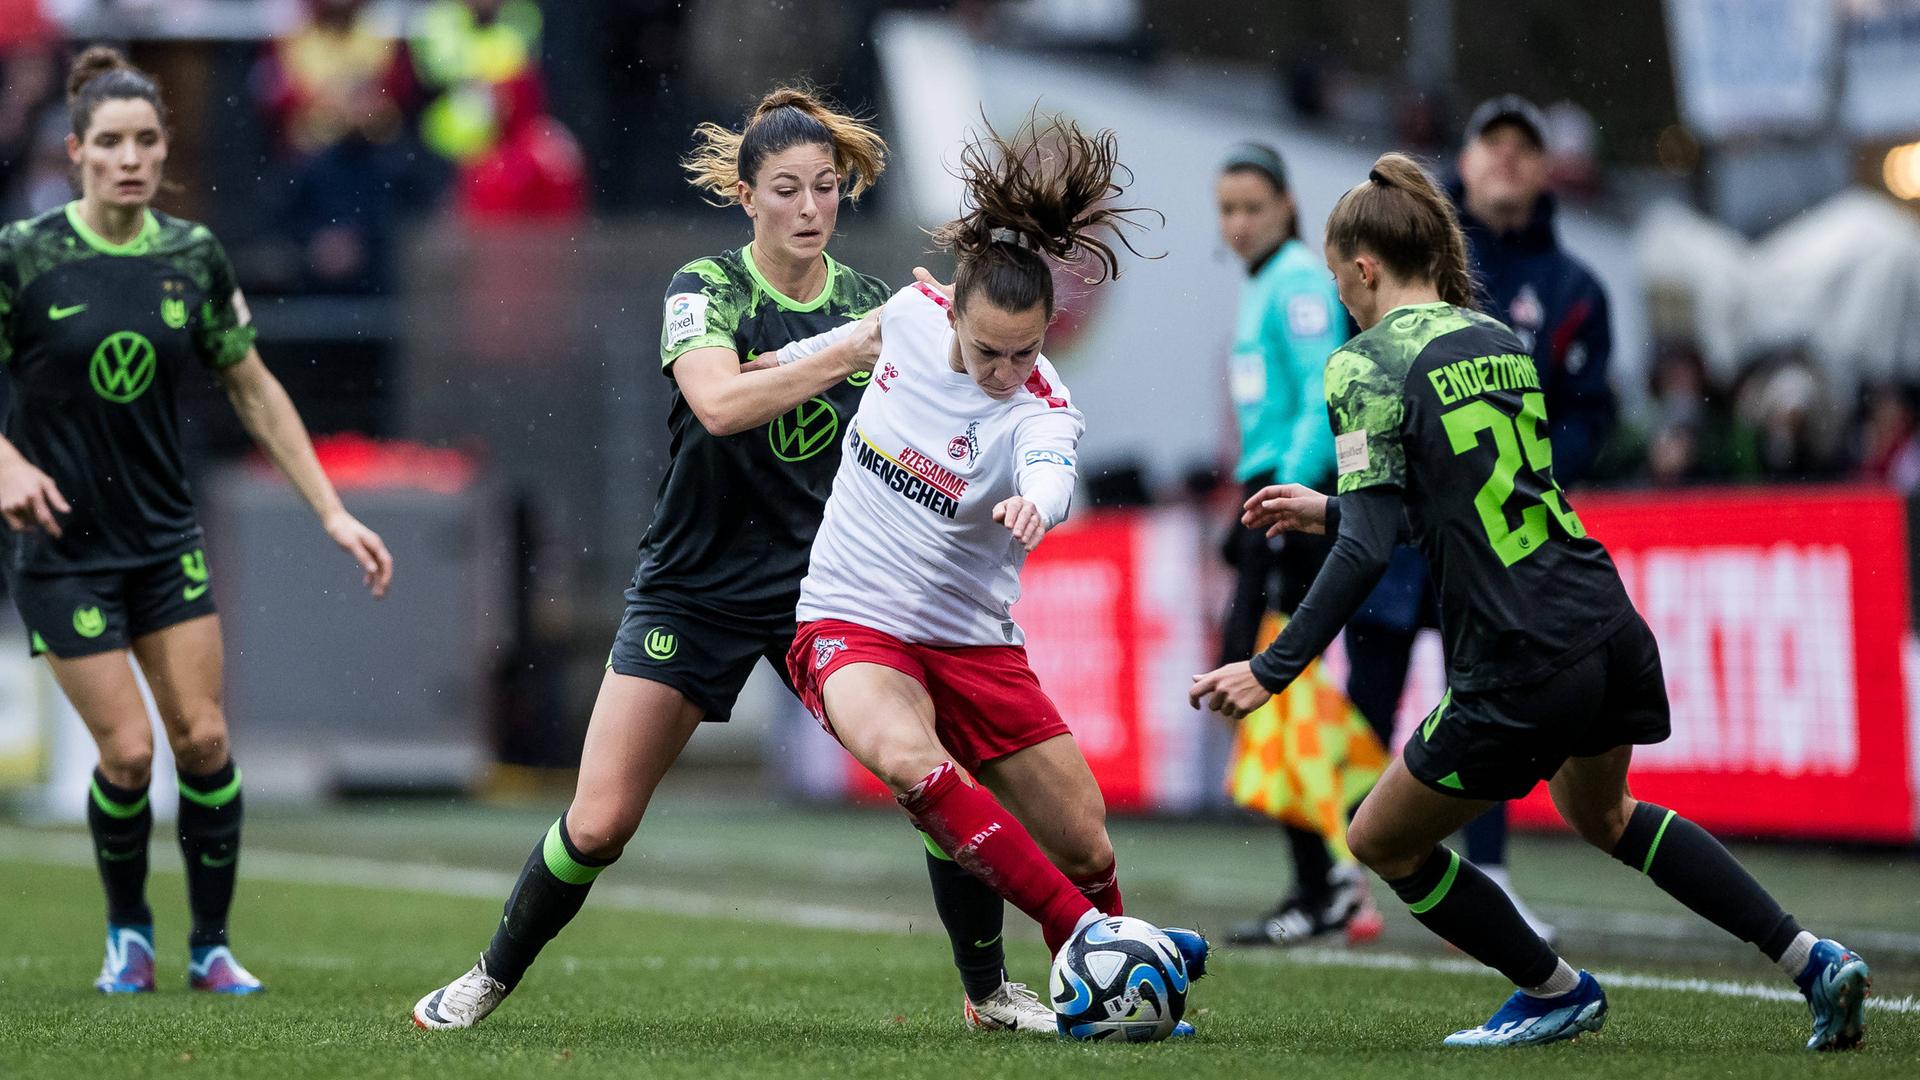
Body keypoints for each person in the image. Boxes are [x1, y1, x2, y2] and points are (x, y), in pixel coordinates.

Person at [1191, 153, 1870, 1050]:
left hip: (1515, 654)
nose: (1341, 301)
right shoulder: (1499, 340)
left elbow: (1367, 554)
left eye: (1337, 279)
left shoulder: (1363, 365)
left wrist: (1270, 669)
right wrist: (1331, 507)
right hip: (1602, 620)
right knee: (1609, 816)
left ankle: (1551, 991)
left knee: (1379, 840)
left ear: (1363, 269)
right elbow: (1463, 497)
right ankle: (1811, 959)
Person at [411, 88, 1047, 1034]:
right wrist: (854, 351)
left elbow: (977, 397)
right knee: (599, 823)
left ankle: (989, 993)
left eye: (826, 188)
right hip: (693, 587)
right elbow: (719, 405)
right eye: (785, 189)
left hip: (827, 592)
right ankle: (487, 976)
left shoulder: (878, 305)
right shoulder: (707, 288)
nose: (807, 208)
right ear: (746, 197)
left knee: (933, 776)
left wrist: (1021, 441)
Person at [781, 112, 1206, 1009]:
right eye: (987, 351)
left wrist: (1037, 503)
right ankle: (1084, 942)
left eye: (1026, 351)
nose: (1006, 371)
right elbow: (806, 358)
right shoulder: (903, 317)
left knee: (1088, 845)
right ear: (950, 309)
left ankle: (1126, 971)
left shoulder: (1046, 409)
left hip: (973, 640)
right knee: (907, 758)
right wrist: (738, 374)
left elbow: (1052, 471)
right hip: (849, 618)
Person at [0, 47, 395, 994]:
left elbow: (254, 391)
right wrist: (5, 461)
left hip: (164, 539)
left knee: (206, 744)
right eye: (110, 143)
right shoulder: (27, 255)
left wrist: (333, 512)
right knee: (129, 753)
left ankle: (210, 945)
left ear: (164, 149)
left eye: (145, 140)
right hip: (64, 549)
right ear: (78, 152)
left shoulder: (192, 258)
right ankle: (127, 931)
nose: (129, 157)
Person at [1341, 97, 1620, 940]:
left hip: (1495, 533)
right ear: (1461, 161)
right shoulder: (1411, 260)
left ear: (1544, 169)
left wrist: (1522, 473)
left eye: (1522, 148)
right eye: (1489, 142)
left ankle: (1490, 875)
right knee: (1369, 698)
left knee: (1485, 699)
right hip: (1403, 537)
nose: (1505, 159)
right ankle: (1353, 872)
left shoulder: (1573, 289)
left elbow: (1588, 412)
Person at [1211, 141, 1384, 949]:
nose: (1239, 222)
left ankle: (1329, 879)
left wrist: (1289, 492)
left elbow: (1327, 393)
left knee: (1273, 686)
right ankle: (1338, 868)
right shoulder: (1260, 289)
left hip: (1290, 505)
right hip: (1267, 498)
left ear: (1285, 207)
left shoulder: (1294, 288)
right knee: (1274, 690)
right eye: (1228, 208)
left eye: (1252, 206)